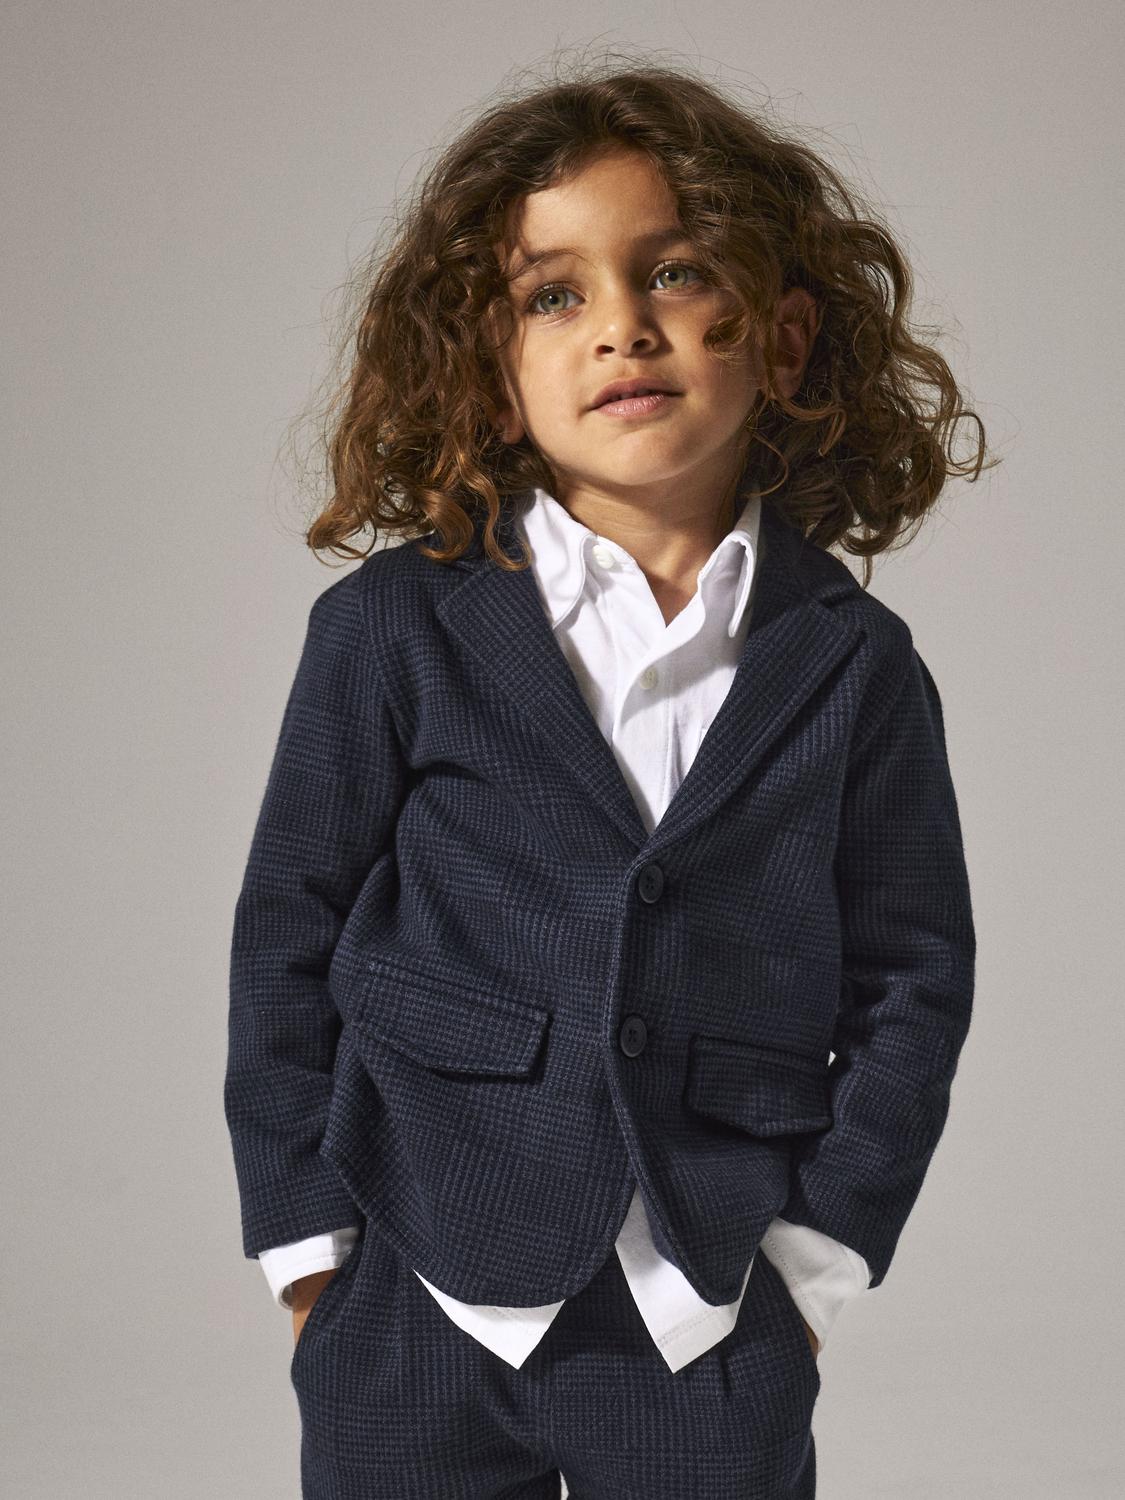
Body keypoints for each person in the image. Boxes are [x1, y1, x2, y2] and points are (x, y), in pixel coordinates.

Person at [224, 55, 992, 1499]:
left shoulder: (855, 663)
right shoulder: (392, 628)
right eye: (552, 296)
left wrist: (812, 1266)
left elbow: (911, 979)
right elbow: (288, 935)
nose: (621, 328)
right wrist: (309, 1254)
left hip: (705, 1303)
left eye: (675, 273)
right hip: (417, 1281)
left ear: (783, 337)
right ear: (492, 371)